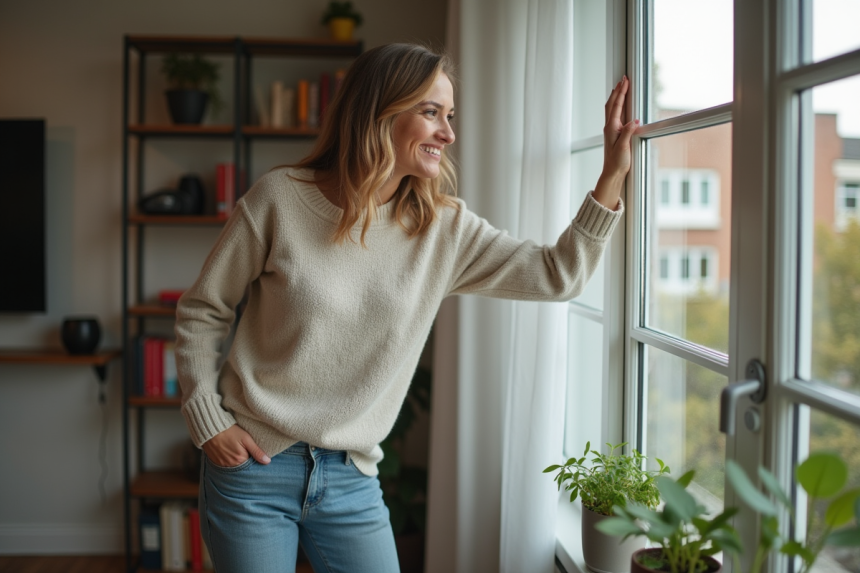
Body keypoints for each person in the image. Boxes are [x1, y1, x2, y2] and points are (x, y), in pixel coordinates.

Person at [174, 43, 636, 573]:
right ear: (381, 113)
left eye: (451, 116)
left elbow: (559, 274)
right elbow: (202, 311)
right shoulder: (278, 200)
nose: (449, 133)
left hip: (351, 478)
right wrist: (207, 420)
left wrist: (612, 176)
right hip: (253, 467)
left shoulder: (444, 229)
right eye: (432, 112)